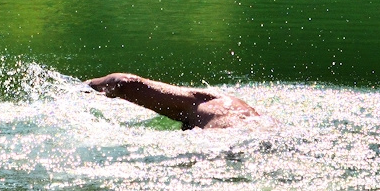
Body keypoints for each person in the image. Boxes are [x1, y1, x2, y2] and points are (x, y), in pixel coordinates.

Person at [86, 72, 259, 130]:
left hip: (224, 146)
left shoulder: (198, 103)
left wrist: (81, 89)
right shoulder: (246, 113)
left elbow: (124, 83)